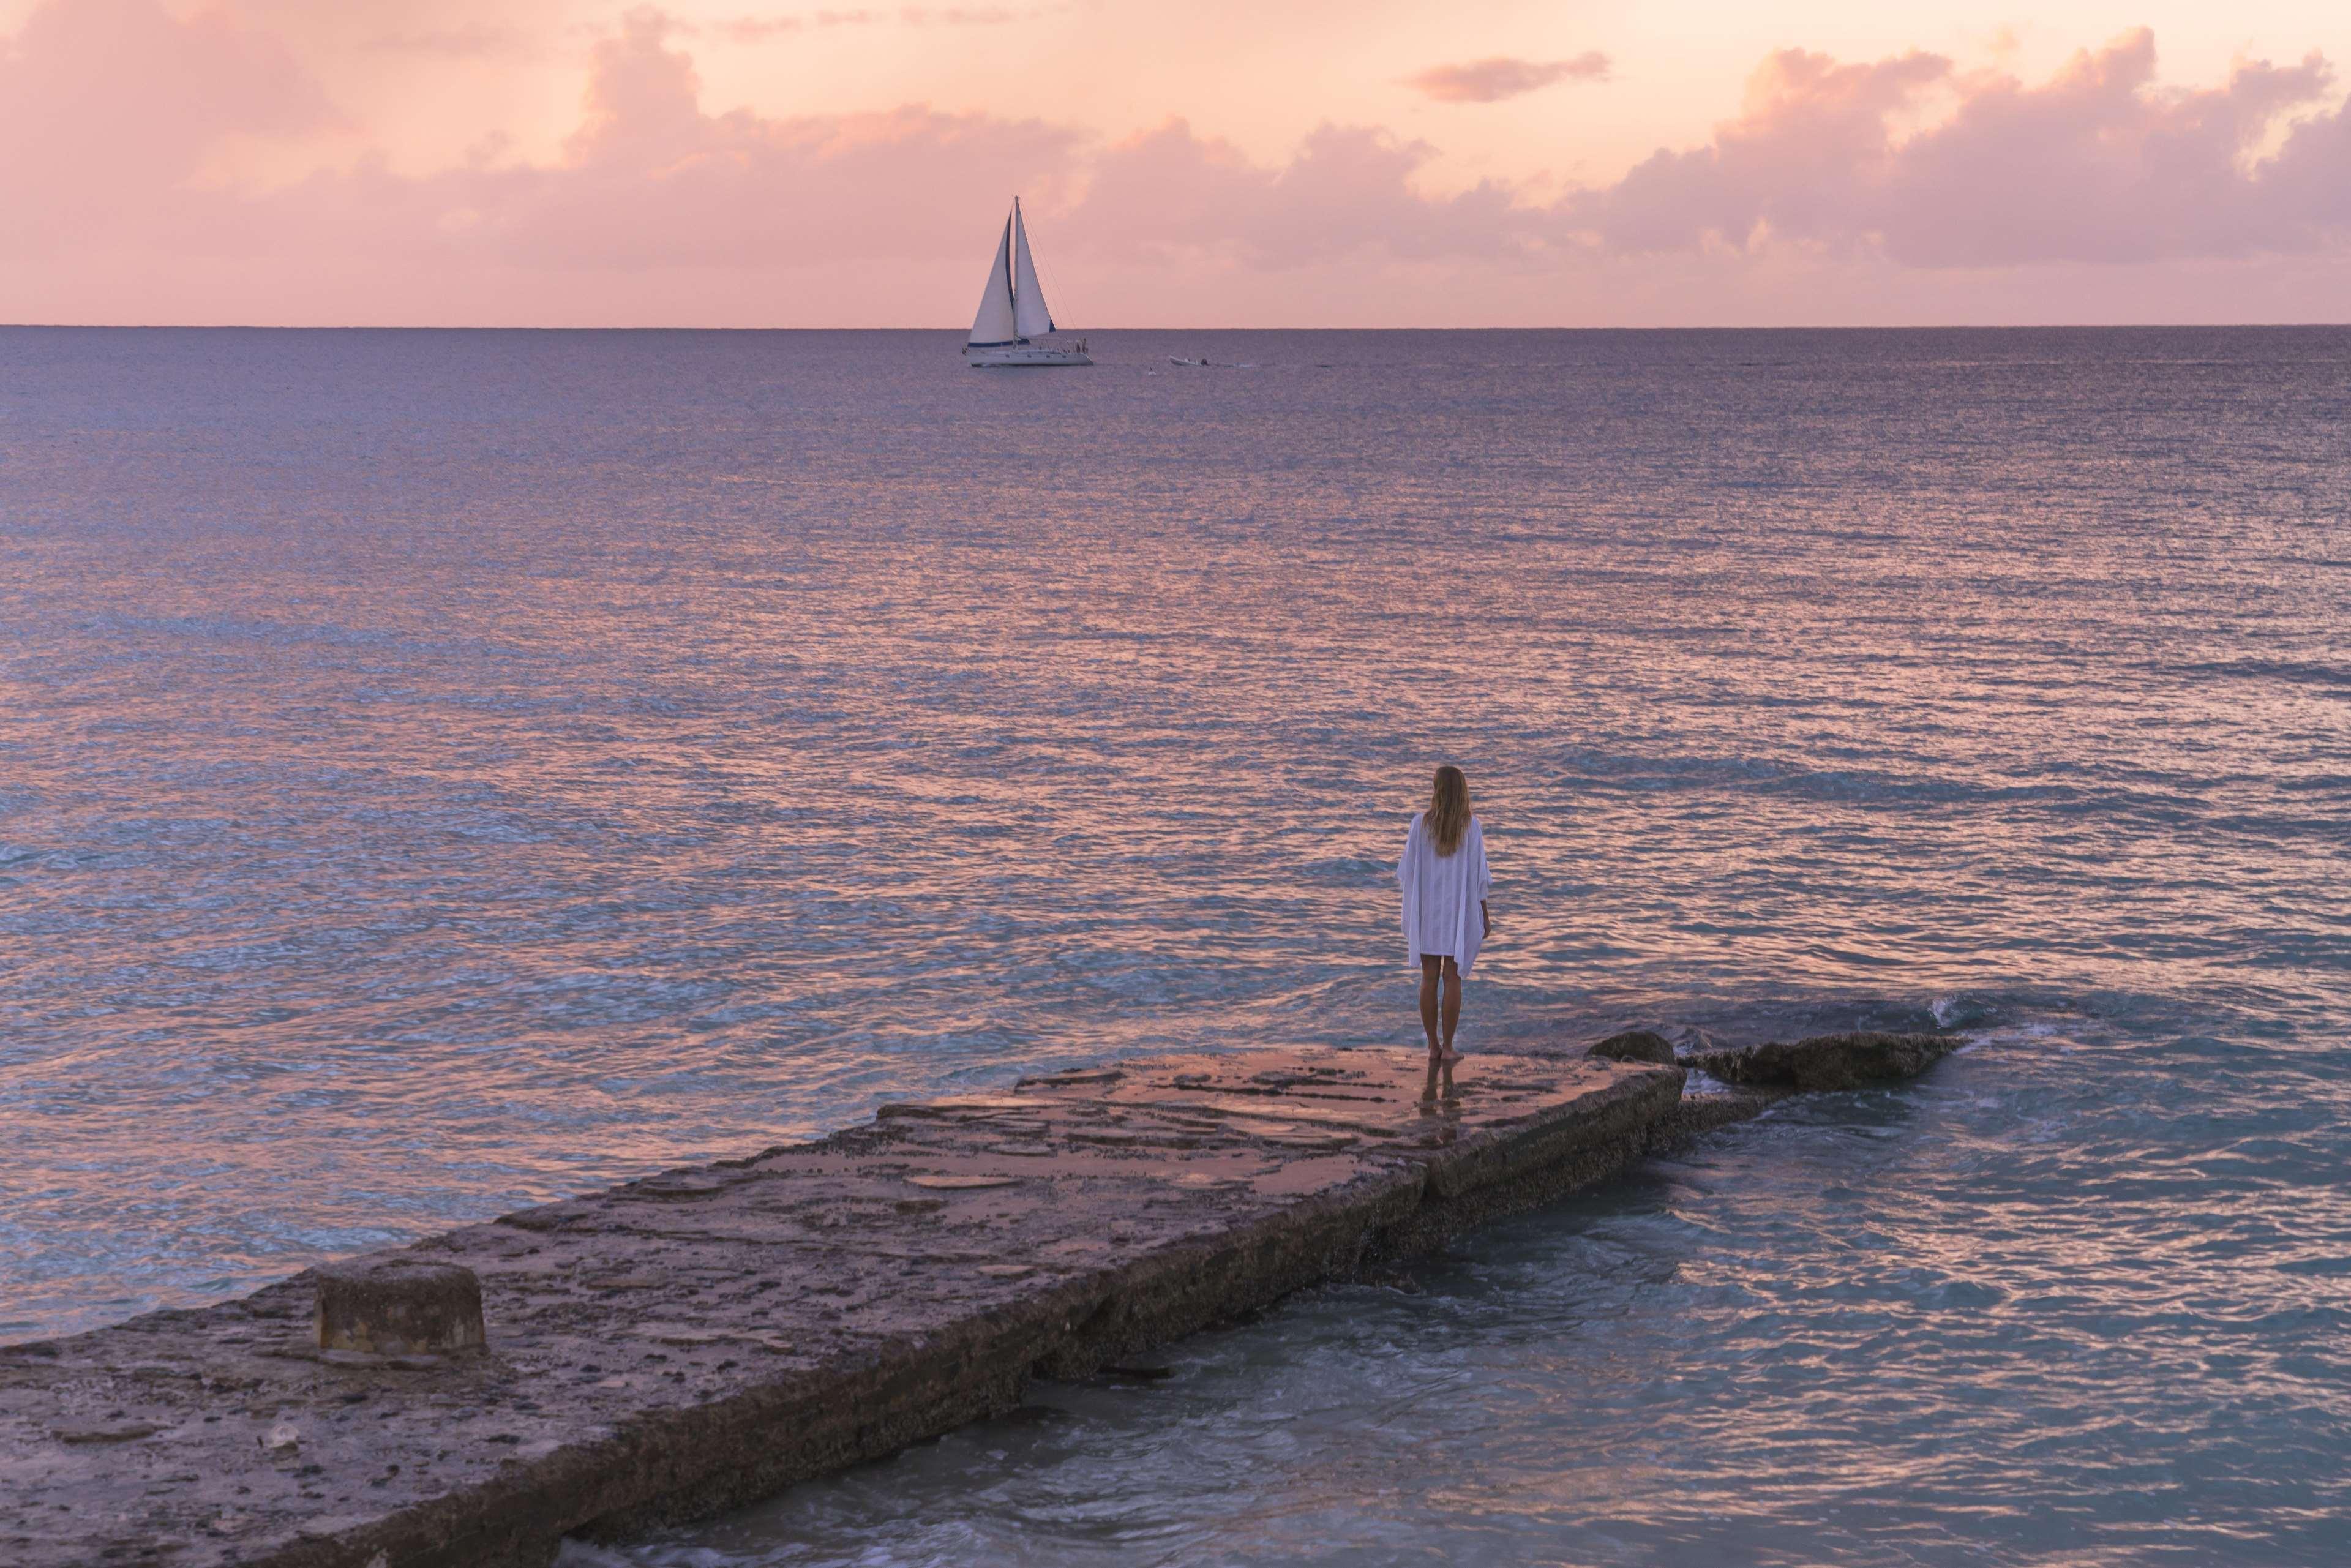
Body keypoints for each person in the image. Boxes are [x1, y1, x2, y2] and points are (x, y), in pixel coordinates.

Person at [1396, 765, 1492, 1063]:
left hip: (1428, 913)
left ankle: (1433, 1047)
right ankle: (1449, 1047)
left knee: (1428, 978)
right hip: (1457, 914)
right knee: (1452, 978)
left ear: (1437, 791)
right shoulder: (1470, 827)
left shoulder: (1419, 825)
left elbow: (1407, 874)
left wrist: (1412, 912)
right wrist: (1484, 914)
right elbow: (1479, 878)